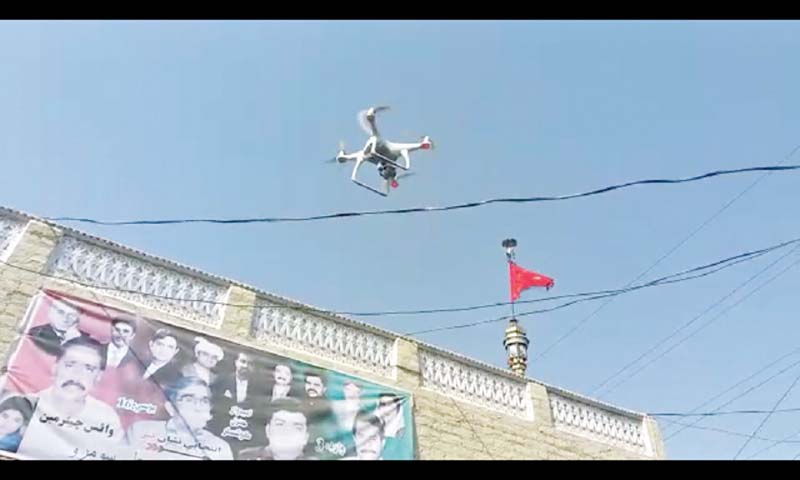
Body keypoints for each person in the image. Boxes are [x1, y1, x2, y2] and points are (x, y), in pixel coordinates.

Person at [16, 337, 124, 459]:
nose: (77, 375)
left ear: (98, 376)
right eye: (69, 365)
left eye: (89, 369)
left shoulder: (107, 418)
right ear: (55, 367)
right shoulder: (24, 406)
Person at [126, 376, 233, 460]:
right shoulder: (140, 431)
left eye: (204, 401)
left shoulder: (221, 448)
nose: (198, 407)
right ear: (171, 408)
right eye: (189, 400)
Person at [238, 398, 314, 460]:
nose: (287, 432)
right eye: (280, 425)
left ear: (306, 437)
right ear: (268, 431)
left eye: (296, 427)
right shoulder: (247, 457)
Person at [374, 393, 406, 459]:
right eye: (383, 404)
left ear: (398, 407)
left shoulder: (403, 439)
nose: (387, 409)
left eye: (390, 404)